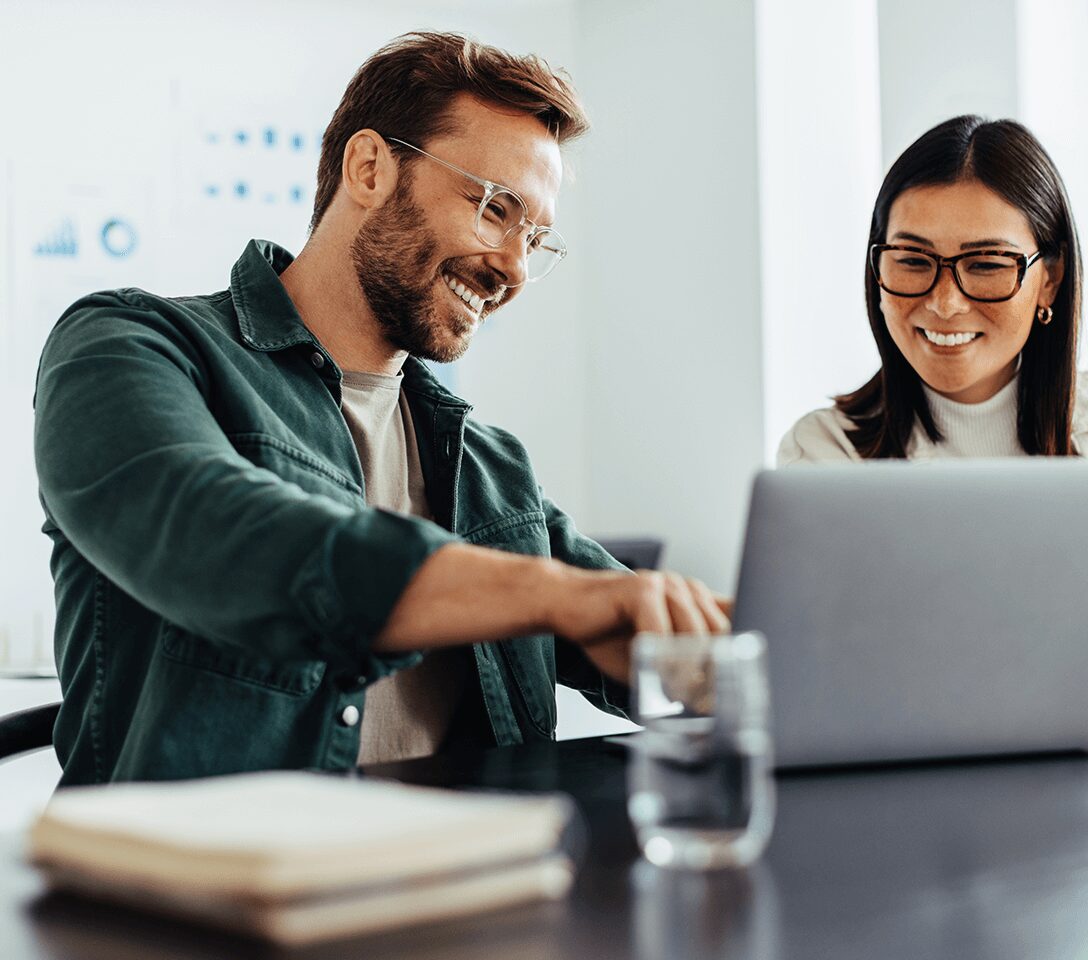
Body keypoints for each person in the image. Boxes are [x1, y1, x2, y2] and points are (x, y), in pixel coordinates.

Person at [34, 32, 729, 787]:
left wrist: (716, 647)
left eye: (536, 238)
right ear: (369, 168)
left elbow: (626, 619)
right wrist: (556, 595)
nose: (515, 268)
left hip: (475, 881)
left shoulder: (491, 468)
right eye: (496, 209)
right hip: (213, 890)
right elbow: (222, 534)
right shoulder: (130, 345)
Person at [778, 115, 1087, 464]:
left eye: (986, 264)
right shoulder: (825, 451)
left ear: (1051, 279)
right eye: (913, 261)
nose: (945, 304)